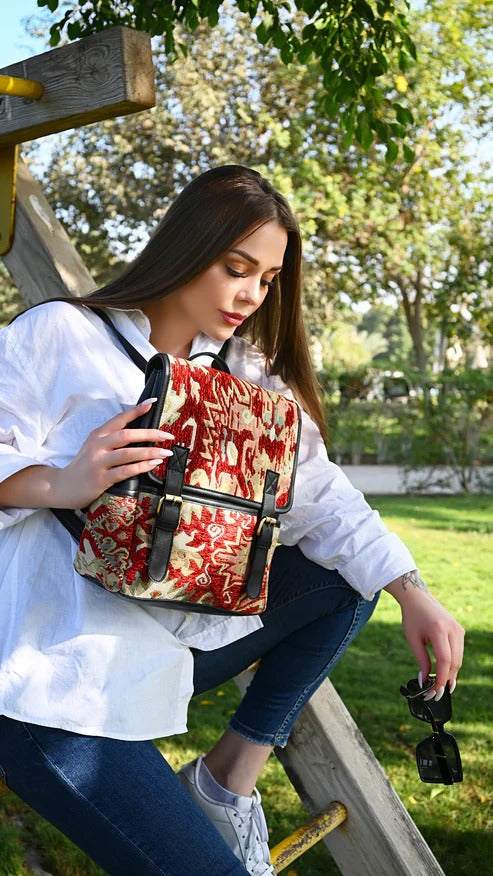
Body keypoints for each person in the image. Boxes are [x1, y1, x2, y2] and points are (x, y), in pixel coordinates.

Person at [0, 165, 464, 876]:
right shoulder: (62, 334)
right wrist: (64, 481)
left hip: (161, 649)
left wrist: (414, 591)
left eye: (268, 279)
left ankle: (227, 781)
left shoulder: (244, 376)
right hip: (51, 685)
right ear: (188, 248)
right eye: (235, 268)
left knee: (349, 577)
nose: (250, 295)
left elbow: (323, 495)